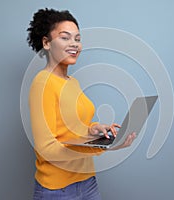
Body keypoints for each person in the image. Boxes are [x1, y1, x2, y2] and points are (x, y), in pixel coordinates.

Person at [27, 8, 136, 200]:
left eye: (77, 39)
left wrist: (94, 129)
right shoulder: (42, 83)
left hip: (87, 182)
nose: (74, 44)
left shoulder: (72, 82)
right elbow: (47, 149)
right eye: (65, 38)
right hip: (57, 190)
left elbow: (72, 129)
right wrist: (102, 147)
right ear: (46, 43)